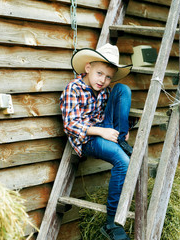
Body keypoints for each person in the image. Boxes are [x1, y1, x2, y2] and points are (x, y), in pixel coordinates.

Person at [59, 43, 134, 240]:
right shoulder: (73, 89)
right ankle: (111, 223)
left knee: (123, 90)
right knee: (123, 162)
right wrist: (102, 131)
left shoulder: (104, 90)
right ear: (88, 68)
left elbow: (111, 111)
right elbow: (70, 125)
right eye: (100, 73)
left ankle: (121, 138)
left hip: (104, 128)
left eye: (108, 77)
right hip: (87, 139)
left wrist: (120, 130)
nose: (103, 80)